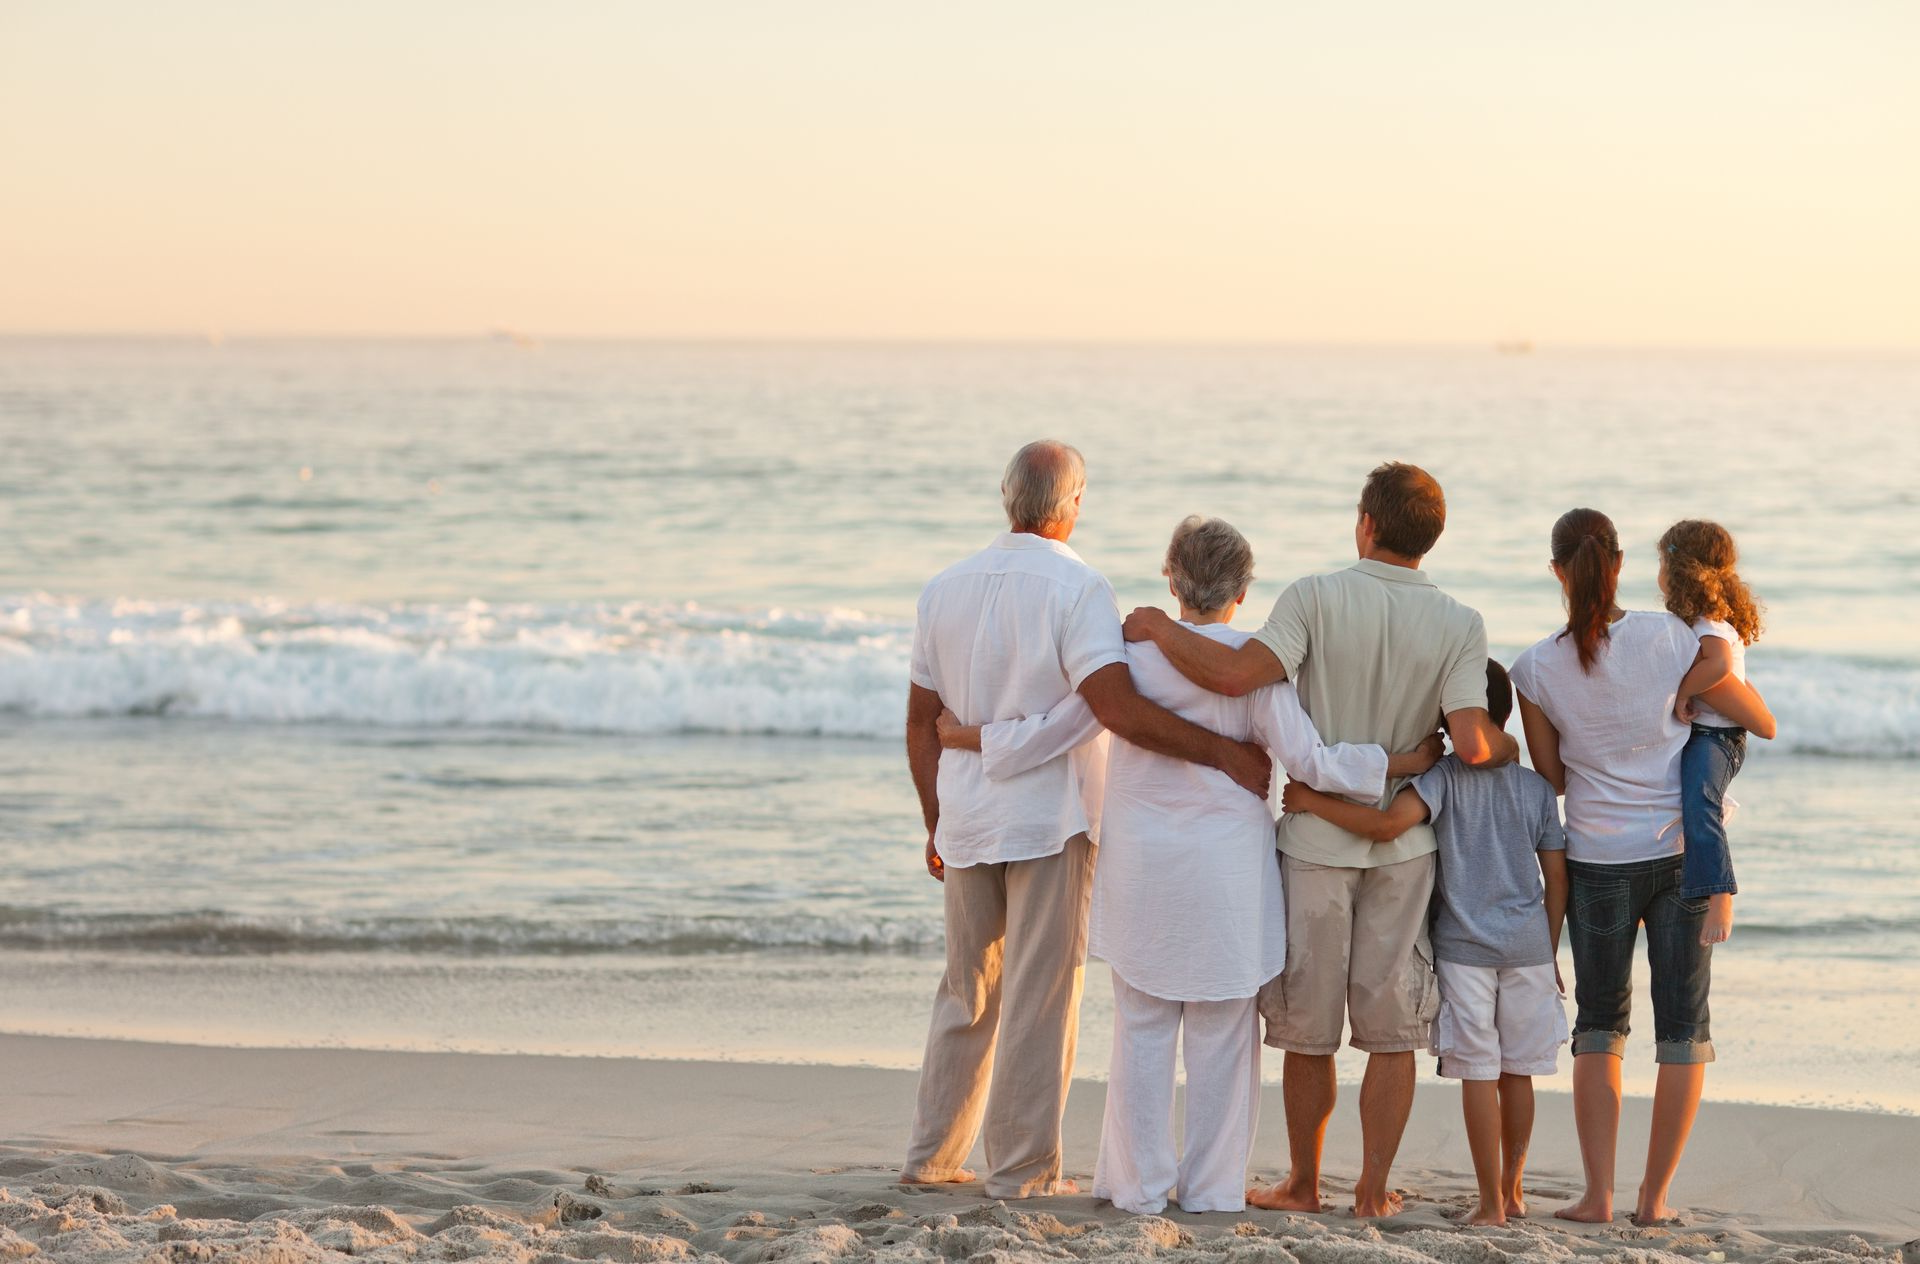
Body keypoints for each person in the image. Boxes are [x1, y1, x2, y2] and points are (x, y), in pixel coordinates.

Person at [937, 517, 1443, 1215]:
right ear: (1242, 590)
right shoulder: (1258, 670)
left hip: (1142, 865)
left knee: (1141, 1030)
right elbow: (1315, 764)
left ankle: (1137, 1188)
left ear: (1171, 579)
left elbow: (1064, 727)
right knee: (1223, 1037)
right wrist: (1401, 762)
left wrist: (971, 738)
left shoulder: (1129, 657)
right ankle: (1209, 1190)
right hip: (1226, 873)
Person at [1123, 462, 1514, 1218]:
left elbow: (1240, 676)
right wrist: (1506, 754)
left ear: (1365, 524)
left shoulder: (1313, 595)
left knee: (1311, 1026)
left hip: (1313, 842)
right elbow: (1469, 741)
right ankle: (1371, 1190)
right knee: (1392, 1025)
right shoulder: (1462, 623)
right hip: (1404, 850)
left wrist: (1156, 626)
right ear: (1430, 539)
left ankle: (1304, 1183)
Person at [901, 441, 1272, 1200]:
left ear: (1008, 497)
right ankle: (1022, 1171)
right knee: (1041, 994)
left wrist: (934, 820)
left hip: (968, 817)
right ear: (1069, 506)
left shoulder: (943, 588)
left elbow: (918, 721)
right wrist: (1222, 755)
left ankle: (933, 1157)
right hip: (1048, 818)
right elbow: (1115, 706)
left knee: (966, 990)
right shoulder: (1079, 589)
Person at [1281, 659, 1568, 1227]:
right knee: (1519, 1072)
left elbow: (1388, 826)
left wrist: (1313, 803)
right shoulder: (1536, 789)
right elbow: (1556, 877)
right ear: (1506, 714)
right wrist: (1550, 946)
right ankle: (1512, 1193)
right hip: (1530, 950)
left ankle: (1488, 1206)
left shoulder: (1442, 779)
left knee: (1481, 1072)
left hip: (1465, 951)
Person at [1509, 507, 1710, 1227]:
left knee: (1601, 1024)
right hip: (1681, 852)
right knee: (1683, 1028)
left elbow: (1553, 777)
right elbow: (1710, 721)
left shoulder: (1534, 667)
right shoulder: (1670, 633)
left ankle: (1598, 1196)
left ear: (1559, 572)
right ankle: (1653, 1202)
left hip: (1596, 856)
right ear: (1619, 564)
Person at [1659, 519, 1778, 946]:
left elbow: (1721, 669)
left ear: (1678, 571)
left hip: (1717, 737)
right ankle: (1663, 886)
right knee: (1675, 804)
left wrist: (1681, 694)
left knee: (1698, 803)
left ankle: (1720, 892)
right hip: (1706, 734)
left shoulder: (1709, 625)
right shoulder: (1702, 621)